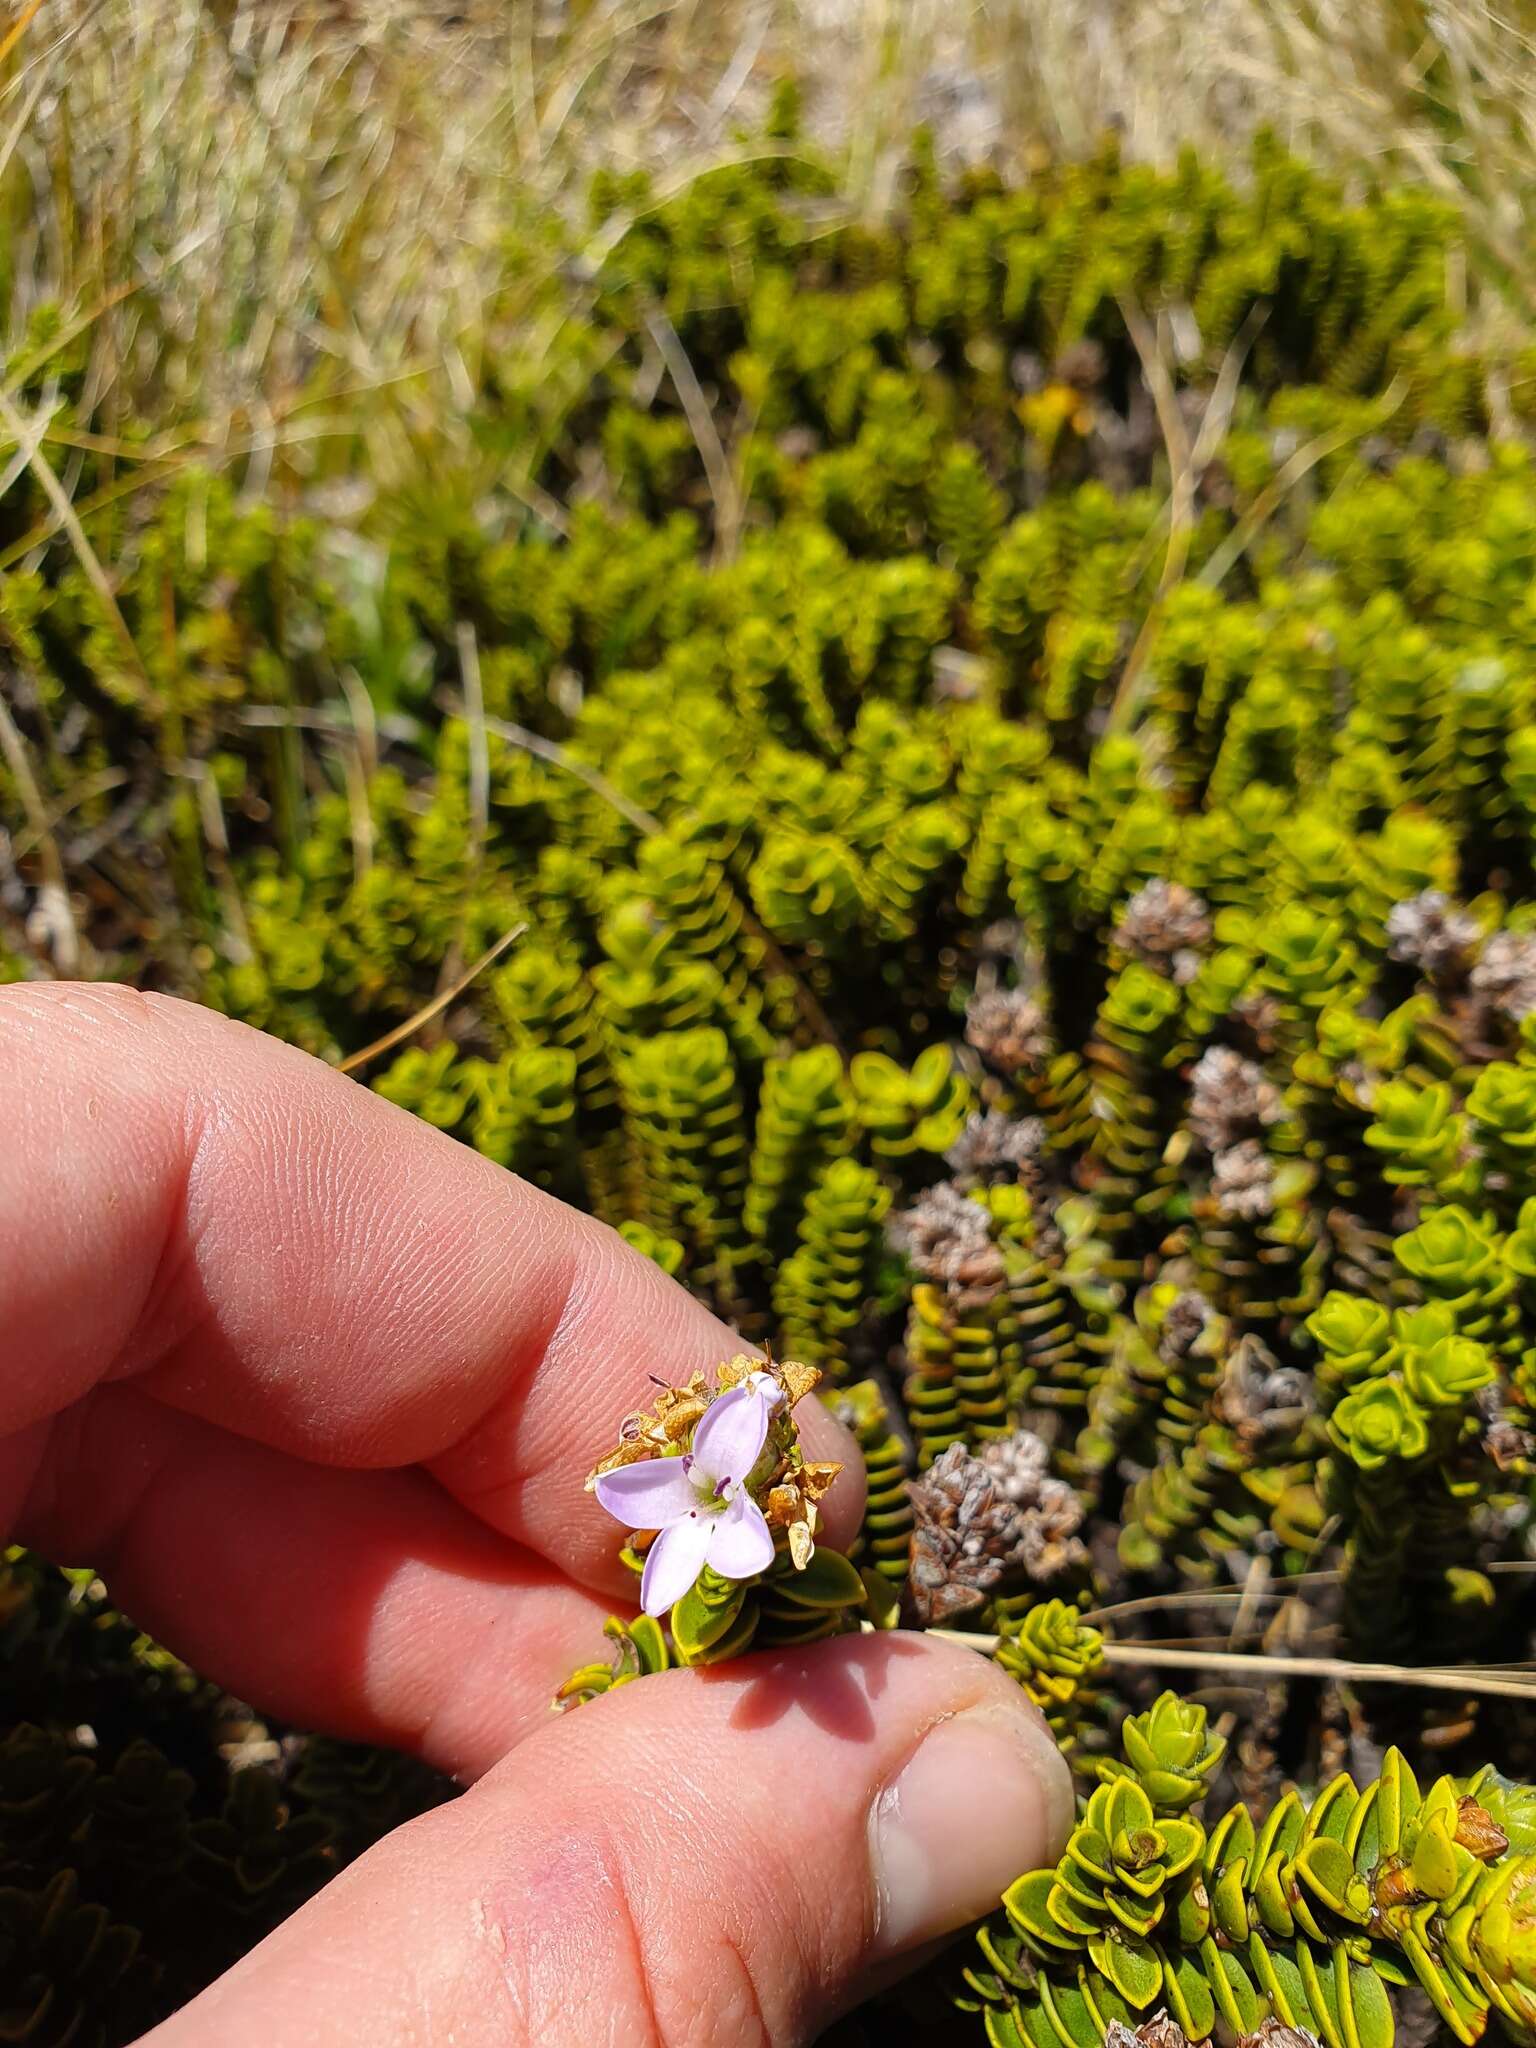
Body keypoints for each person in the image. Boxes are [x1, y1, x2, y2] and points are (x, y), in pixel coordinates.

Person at [0, 982, 1073, 2046]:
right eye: (704, 1487)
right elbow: (640, 1505)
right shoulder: (689, 1516)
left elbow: (693, 1511)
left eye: (720, 1488)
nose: (707, 1495)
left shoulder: (730, 1504)